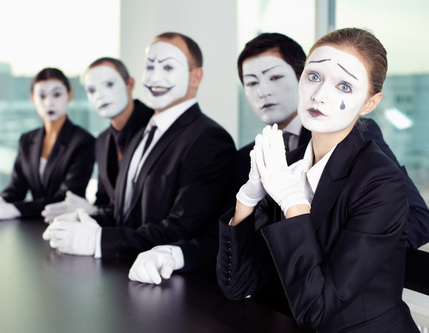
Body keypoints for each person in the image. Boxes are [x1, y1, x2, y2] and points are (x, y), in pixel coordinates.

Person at [127, 32, 429, 285]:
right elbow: (233, 239)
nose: (263, 92)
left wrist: (353, 258)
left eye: (274, 77)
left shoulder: (359, 136)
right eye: (252, 83)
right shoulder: (247, 155)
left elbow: (416, 218)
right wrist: (176, 254)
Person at [217, 28, 418, 332]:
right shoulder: (289, 163)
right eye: (313, 76)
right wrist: (248, 197)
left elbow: (318, 311)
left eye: (344, 86)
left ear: (369, 103)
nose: (320, 94)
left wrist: (293, 202)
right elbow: (238, 285)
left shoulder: (381, 182)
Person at [42, 32, 236, 260]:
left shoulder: (208, 138)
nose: (154, 78)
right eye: (150, 67)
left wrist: (98, 240)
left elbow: (182, 230)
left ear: (196, 78)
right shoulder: (143, 133)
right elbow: (123, 213)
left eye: (168, 68)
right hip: (122, 271)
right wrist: (85, 219)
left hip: (167, 282)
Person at [41, 58, 153, 225]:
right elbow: (104, 201)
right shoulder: (101, 141)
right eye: (92, 90)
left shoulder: (156, 128)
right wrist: (88, 211)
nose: (100, 95)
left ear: (130, 84)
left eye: (109, 84)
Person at [0, 68, 96, 222]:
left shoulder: (83, 141)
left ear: (69, 95)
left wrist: (14, 209)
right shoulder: (27, 140)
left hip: (66, 225)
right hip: (30, 225)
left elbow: (66, 199)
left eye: (57, 94)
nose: (49, 102)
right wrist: (0, 202)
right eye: (42, 96)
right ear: (33, 99)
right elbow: (16, 189)